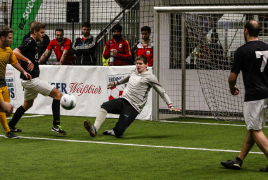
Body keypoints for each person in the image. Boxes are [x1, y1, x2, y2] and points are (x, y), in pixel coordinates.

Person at [84, 55, 180, 138]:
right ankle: (94, 128)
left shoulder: (150, 77)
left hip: (133, 107)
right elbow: (128, 77)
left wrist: (170, 105)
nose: (138, 65)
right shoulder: (134, 71)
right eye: (137, 63)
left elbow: (162, 92)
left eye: (140, 64)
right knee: (105, 106)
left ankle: (114, 132)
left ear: (146, 65)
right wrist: (116, 83)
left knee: (119, 132)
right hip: (124, 99)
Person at [221, 20, 268, 172]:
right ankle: (238, 160)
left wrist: (231, 87)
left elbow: (232, 78)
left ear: (246, 31)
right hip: (267, 93)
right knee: (253, 128)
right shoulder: (267, 48)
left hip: (254, 96)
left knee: (255, 130)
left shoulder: (242, 51)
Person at [8, 21, 66, 135]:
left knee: (27, 105)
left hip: (28, 80)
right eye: (41, 32)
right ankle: (56, 125)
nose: (43, 35)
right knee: (58, 95)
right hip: (31, 80)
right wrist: (27, 60)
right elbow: (14, 52)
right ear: (35, 32)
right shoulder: (29, 41)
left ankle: (11, 125)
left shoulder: (34, 43)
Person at [0, 26, 32, 138]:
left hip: (3, 84)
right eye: (9, 38)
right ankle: (7, 131)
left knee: (7, 108)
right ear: (2, 38)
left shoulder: (8, 50)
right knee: (2, 108)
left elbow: (14, 62)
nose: (11, 40)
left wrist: (24, 71)